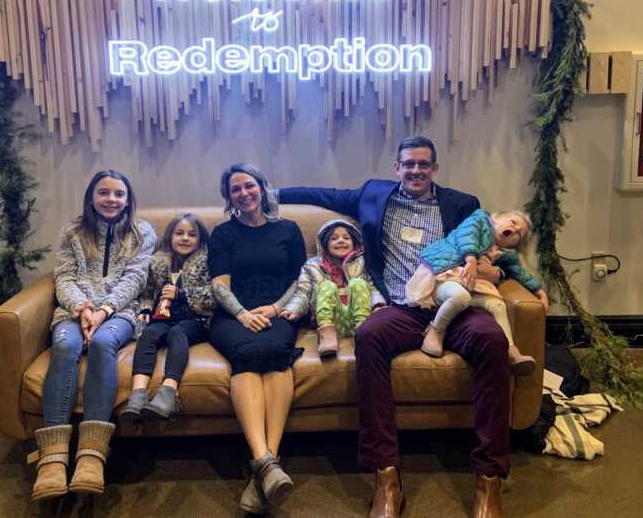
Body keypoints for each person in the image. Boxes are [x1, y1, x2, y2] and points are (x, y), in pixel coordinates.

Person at [278, 136, 511, 518]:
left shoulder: (462, 203)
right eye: (409, 164)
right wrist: (271, 191)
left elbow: (484, 244)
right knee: (370, 337)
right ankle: (386, 476)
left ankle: (488, 479)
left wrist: (489, 266)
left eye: (423, 164)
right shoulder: (374, 194)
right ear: (396, 168)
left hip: (451, 299)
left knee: (491, 339)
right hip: (401, 305)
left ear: (435, 168)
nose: (415, 171)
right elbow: (326, 194)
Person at [32, 170, 156, 501]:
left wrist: (104, 312)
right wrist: (83, 308)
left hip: (122, 311)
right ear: (91, 197)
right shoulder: (72, 231)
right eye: (104, 193)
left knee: (103, 343)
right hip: (75, 310)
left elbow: (136, 279)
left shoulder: (141, 232)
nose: (111, 200)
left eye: (118, 194)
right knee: (65, 343)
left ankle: (92, 453)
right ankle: (53, 458)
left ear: (128, 200)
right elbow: (64, 276)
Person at [208, 163, 307, 514]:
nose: (244, 193)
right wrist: (242, 314)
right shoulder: (222, 233)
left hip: (276, 312)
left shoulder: (289, 230)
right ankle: (268, 465)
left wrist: (277, 308)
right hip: (231, 315)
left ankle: (263, 466)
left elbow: (301, 279)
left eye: (249, 186)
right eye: (235, 189)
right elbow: (219, 284)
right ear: (229, 196)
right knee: (247, 352)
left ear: (262, 189)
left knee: (276, 352)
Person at [406, 208, 549, 373]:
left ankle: (511, 350)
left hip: (469, 284)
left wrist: (540, 292)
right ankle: (435, 330)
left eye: (519, 234)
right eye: (513, 222)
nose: (515, 230)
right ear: (498, 217)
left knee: (497, 304)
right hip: (445, 276)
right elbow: (467, 235)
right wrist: (471, 258)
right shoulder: (479, 220)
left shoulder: (504, 255)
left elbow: (521, 274)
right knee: (460, 296)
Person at [119, 213, 215, 423]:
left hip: (196, 319)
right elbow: (147, 292)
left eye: (192, 234)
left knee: (177, 333)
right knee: (150, 333)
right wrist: (144, 310)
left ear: (200, 240)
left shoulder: (207, 262)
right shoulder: (158, 262)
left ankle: (168, 392)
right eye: (179, 233)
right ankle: (137, 395)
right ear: (169, 237)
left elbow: (213, 296)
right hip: (162, 317)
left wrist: (182, 295)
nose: (185, 238)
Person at [279, 218, 385, 357]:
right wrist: (292, 310)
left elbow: (371, 287)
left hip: (358, 319)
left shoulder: (362, 263)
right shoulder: (312, 266)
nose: (341, 241)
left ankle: (363, 332)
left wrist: (378, 304)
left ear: (355, 243)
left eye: (346, 238)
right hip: (330, 320)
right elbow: (302, 293)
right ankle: (327, 336)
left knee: (358, 283)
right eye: (334, 238)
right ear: (324, 244)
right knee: (326, 285)